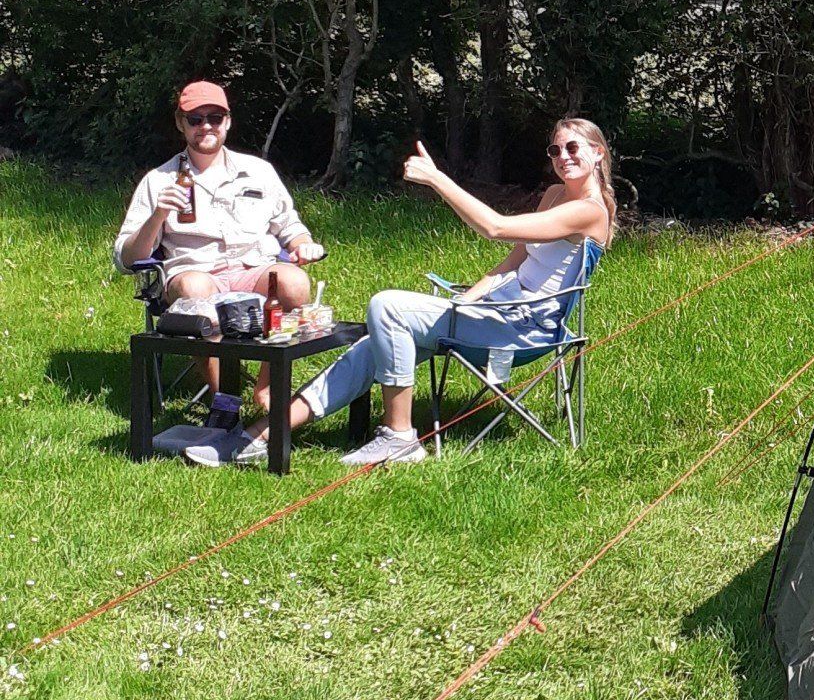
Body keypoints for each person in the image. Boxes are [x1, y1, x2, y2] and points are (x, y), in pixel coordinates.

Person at [204, 116, 617, 469]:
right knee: (373, 343)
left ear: (598, 153)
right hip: (498, 313)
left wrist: (437, 179)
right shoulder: (554, 196)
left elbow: (496, 228)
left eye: (573, 148)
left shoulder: (588, 211)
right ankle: (261, 434)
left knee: (387, 306)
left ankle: (399, 437)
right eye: (555, 150)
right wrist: (465, 300)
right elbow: (513, 261)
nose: (563, 157)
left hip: (523, 329)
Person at [114, 80, 324, 335]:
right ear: (180, 123)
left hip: (255, 270)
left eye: (215, 118)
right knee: (195, 288)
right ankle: (218, 364)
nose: (206, 126)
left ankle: (272, 362)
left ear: (228, 121)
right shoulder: (159, 180)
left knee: (294, 282)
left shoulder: (259, 171)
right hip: (196, 272)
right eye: (195, 119)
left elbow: (290, 226)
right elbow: (127, 260)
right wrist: (158, 215)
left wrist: (304, 245)